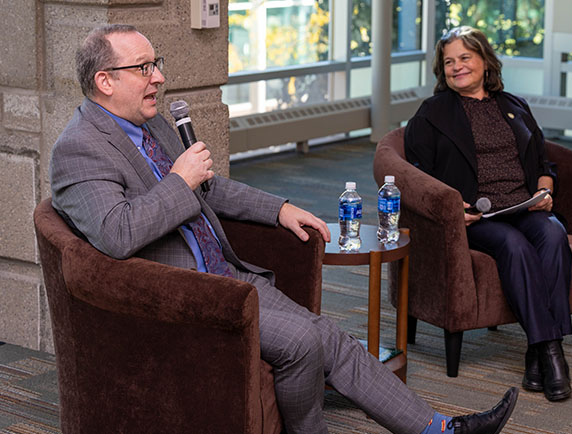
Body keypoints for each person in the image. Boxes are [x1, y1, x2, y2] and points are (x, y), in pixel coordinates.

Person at [49, 24, 519, 434]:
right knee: (302, 343)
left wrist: (280, 209)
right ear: (105, 81)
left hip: (224, 272)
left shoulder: (148, 125)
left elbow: (209, 190)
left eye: (158, 63)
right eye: (145, 67)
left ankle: (438, 429)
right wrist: (179, 180)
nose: (160, 77)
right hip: (182, 292)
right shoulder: (81, 149)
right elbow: (117, 234)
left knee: (331, 336)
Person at [404, 26, 572, 402]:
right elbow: (416, 174)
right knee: (514, 246)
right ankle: (550, 351)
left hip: (521, 204)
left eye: (465, 58)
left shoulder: (513, 105)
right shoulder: (433, 113)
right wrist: (450, 210)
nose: (457, 67)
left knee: (554, 233)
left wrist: (545, 189)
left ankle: (536, 350)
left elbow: (544, 160)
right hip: (479, 217)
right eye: (449, 62)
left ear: (485, 61)